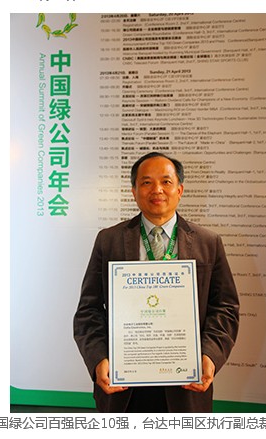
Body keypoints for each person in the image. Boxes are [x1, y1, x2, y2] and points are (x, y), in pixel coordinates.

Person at [73, 152, 239, 412]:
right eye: (146, 182)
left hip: (186, 385)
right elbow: (88, 310)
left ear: (180, 189)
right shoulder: (109, 240)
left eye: (166, 181)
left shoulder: (208, 243)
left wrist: (210, 355)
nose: (157, 190)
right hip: (123, 386)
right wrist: (99, 359)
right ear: (134, 191)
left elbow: (225, 308)